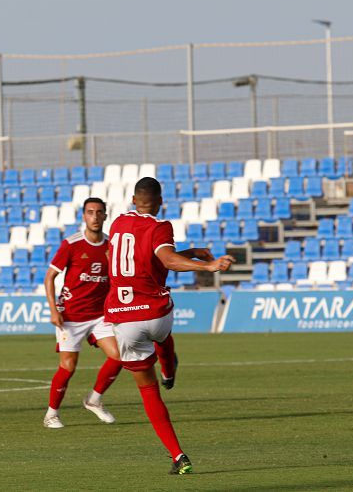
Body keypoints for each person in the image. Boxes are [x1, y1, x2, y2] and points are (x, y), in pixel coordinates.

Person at [106, 177, 234, 475]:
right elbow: (165, 258)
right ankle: (169, 369)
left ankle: (178, 456)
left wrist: (189, 254)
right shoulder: (161, 226)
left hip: (125, 319)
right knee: (162, 335)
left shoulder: (118, 225)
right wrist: (207, 264)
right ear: (160, 200)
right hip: (156, 312)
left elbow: (144, 258)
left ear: (133, 200)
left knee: (148, 391)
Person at [42, 197, 125, 429]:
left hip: (100, 315)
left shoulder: (111, 246)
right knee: (68, 367)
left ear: (105, 216)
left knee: (118, 356)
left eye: (99, 212)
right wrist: (53, 310)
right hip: (72, 314)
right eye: (90, 212)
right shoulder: (72, 244)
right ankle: (51, 414)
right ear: (84, 216)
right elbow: (49, 277)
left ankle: (94, 400)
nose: (95, 216)